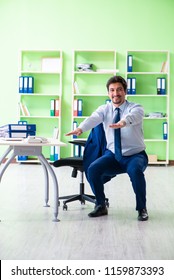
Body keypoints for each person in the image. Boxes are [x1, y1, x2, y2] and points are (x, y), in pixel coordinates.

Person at [66, 76, 149, 221]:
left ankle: (141, 208)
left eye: (119, 90)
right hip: (113, 156)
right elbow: (94, 118)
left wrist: (123, 122)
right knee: (93, 169)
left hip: (135, 155)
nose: (115, 93)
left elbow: (133, 117)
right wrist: (81, 128)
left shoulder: (136, 108)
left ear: (125, 91)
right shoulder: (104, 109)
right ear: (108, 93)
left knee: (136, 172)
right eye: (112, 90)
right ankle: (100, 205)